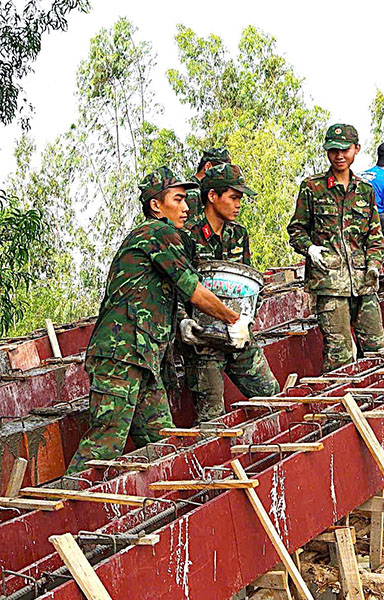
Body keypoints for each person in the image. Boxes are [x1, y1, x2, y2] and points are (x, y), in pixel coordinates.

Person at [66, 167, 249, 474]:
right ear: (156, 205)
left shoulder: (156, 237)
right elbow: (193, 289)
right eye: (178, 199)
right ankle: (66, 513)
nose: (187, 207)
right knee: (104, 444)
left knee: (161, 442)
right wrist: (234, 319)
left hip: (145, 359)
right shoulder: (158, 233)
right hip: (121, 355)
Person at [179, 163, 280, 422]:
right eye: (233, 198)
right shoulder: (187, 237)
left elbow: (248, 283)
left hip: (236, 334)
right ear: (212, 196)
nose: (238, 205)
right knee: (211, 418)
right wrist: (182, 320)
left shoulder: (238, 234)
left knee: (271, 393)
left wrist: (247, 320)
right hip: (203, 342)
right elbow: (177, 286)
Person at [287, 124, 384, 371]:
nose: (339, 156)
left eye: (345, 150)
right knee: (339, 357)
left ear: (356, 149)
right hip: (330, 285)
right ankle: (337, 406)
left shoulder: (365, 190)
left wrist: (374, 266)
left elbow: (375, 237)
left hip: (364, 282)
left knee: (378, 350)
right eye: (333, 150)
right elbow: (296, 230)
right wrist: (310, 248)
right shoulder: (313, 188)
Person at [187, 147, 232, 218]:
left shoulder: (203, 191)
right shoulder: (192, 193)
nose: (224, 176)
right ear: (208, 167)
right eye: (222, 171)